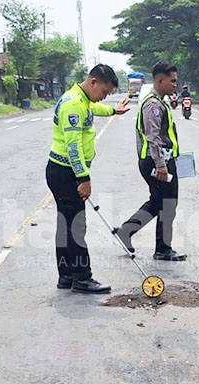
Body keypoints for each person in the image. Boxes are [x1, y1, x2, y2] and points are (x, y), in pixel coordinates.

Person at [46, 64, 131, 293]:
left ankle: (66, 276)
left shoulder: (80, 99)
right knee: (75, 227)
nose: (103, 97)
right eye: (104, 92)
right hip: (67, 172)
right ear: (94, 82)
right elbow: (73, 147)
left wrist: (114, 111)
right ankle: (82, 278)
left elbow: (94, 109)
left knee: (65, 225)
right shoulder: (74, 104)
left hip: (60, 170)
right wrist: (83, 178)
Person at [116, 62, 187, 261]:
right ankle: (163, 249)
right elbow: (153, 137)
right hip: (156, 161)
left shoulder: (159, 101)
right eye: (172, 81)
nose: (175, 84)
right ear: (160, 80)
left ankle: (127, 231)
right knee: (168, 203)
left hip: (160, 160)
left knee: (159, 202)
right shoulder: (153, 105)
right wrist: (161, 164)